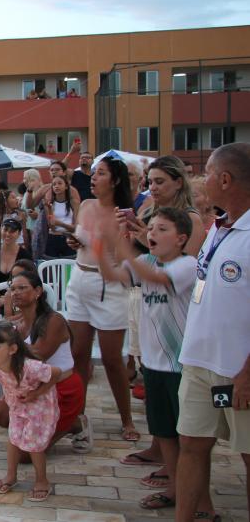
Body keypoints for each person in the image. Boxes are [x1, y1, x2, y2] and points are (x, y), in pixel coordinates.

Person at [96, 207, 196, 511]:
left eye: (162, 229)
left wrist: (125, 243)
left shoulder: (187, 265)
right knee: (164, 432)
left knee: (189, 438)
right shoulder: (146, 261)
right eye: (150, 228)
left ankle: (198, 500)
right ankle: (175, 488)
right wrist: (103, 241)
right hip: (152, 364)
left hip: (180, 365)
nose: (152, 233)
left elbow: (156, 278)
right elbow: (113, 274)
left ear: (181, 239)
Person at [175, 143, 250, 522]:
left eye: (206, 172)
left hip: (237, 370)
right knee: (192, 444)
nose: (201, 179)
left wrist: (247, 372)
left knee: (248, 453)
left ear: (225, 179)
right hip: (200, 362)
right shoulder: (219, 227)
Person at [65, 155, 138, 441]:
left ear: (116, 180)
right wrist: (74, 240)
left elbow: (123, 256)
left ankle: (127, 419)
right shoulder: (85, 205)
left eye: (101, 173)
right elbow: (80, 241)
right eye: (94, 173)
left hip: (107, 284)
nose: (94, 178)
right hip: (80, 278)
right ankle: (78, 415)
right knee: (78, 354)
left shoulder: (123, 214)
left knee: (111, 358)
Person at [0, 272, 88, 456]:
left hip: (60, 388)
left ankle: (75, 424)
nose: (15, 293)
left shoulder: (54, 320)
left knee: (26, 455)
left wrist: (4, 345)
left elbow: (37, 356)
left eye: (22, 288)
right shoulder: (15, 322)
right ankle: (30, 427)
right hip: (31, 387)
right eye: (12, 289)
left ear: (38, 291)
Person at [0, 320, 62, 502]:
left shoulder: (30, 367)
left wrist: (36, 393)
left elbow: (57, 373)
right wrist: (7, 395)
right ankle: (11, 476)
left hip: (39, 407)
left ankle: (42, 481)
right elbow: (5, 381)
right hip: (17, 404)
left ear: (12, 349)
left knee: (34, 444)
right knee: (13, 438)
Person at [127, 155, 205, 257]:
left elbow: (188, 262)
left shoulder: (191, 219)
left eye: (159, 182)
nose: (152, 188)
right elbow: (126, 254)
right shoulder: (147, 213)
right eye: (150, 182)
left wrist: (149, 241)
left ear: (179, 183)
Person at [0, 219, 32, 286]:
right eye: (5, 230)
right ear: (1, 230)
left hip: (17, 291)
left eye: (12, 231)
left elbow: (30, 280)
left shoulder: (25, 255)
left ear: (19, 234)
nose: (7, 234)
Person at [44, 175, 79, 259]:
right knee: (52, 265)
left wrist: (60, 224)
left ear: (66, 186)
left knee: (69, 265)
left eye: (60, 183)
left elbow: (75, 228)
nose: (56, 186)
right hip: (53, 238)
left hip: (69, 238)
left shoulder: (74, 203)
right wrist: (50, 209)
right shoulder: (49, 204)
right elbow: (52, 227)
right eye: (54, 184)